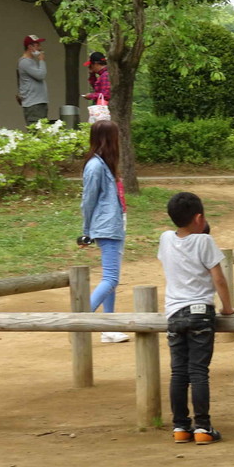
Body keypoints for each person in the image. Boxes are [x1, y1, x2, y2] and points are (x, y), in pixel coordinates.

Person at [158, 192, 234, 445]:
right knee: (199, 371)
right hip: (200, 312)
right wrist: (228, 308)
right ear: (199, 218)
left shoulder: (165, 238)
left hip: (174, 313)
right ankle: (202, 427)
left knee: (178, 373)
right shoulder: (204, 242)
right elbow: (219, 278)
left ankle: (181, 427)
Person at [79, 120, 129, 343]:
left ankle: (108, 327)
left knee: (111, 279)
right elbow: (87, 201)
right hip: (106, 227)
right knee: (110, 279)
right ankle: (79, 320)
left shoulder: (105, 164)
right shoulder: (95, 166)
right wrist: (86, 232)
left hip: (113, 226)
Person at [18, 34, 49, 125]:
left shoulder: (31, 62)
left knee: (43, 131)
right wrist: (42, 60)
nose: (40, 48)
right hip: (33, 104)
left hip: (39, 103)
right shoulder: (25, 62)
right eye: (37, 45)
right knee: (37, 133)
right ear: (30, 47)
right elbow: (41, 75)